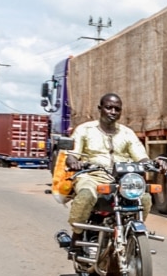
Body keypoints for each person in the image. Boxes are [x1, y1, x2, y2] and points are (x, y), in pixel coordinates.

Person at [64, 93, 151, 231]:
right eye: (109, 108)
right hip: (92, 177)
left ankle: (133, 235)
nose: (113, 112)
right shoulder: (84, 130)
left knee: (144, 198)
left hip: (121, 180)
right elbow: (72, 155)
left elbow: (141, 157)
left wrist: (153, 163)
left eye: (117, 109)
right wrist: (74, 162)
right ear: (100, 108)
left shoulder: (127, 133)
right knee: (86, 196)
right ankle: (77, 237)